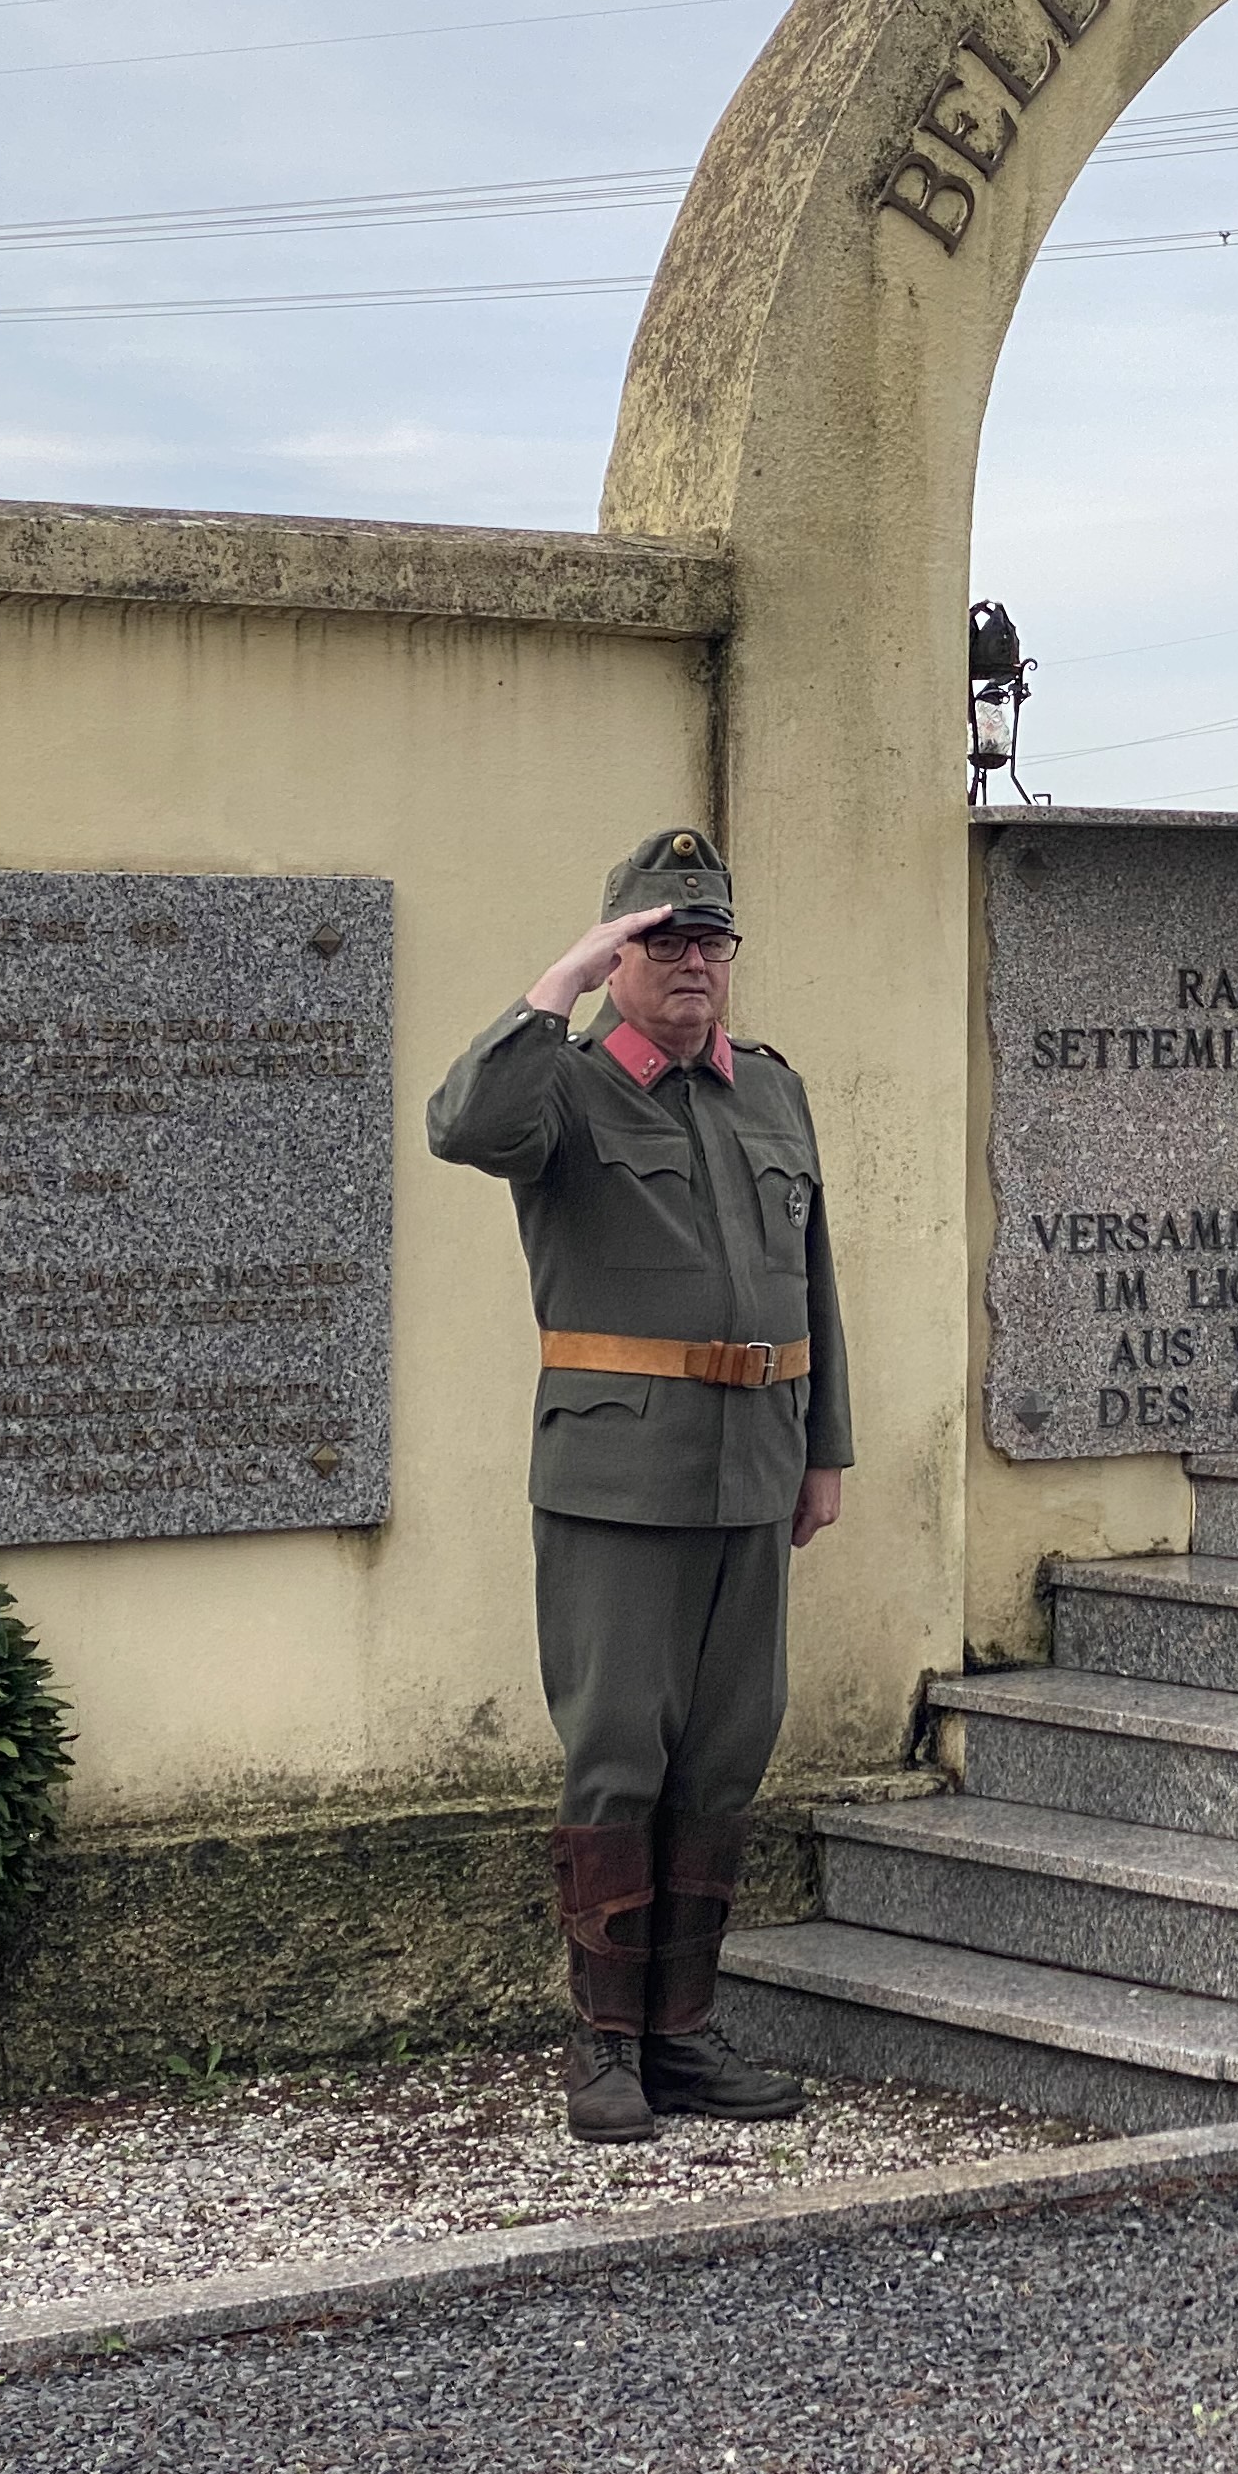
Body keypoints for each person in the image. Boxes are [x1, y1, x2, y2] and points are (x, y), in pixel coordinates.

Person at [427, 827, 851, 2143]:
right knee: (619, 1755)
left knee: (727, 1750)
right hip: (620, 1478)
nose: (693, 964)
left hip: (754, 1476)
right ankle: (604, 2043)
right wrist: (558, 981)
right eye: (663, 940)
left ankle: (682, 2035)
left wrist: (824, 1446)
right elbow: (460, 1123)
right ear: (617, 957)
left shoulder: (771, 1093)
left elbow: (813, 1282)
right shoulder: (558, 1092)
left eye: (710, 941)